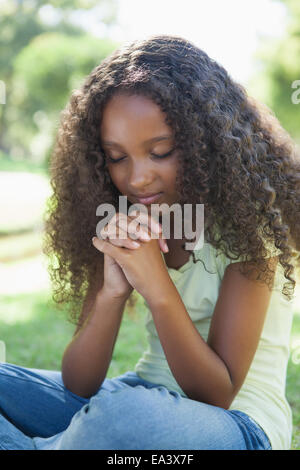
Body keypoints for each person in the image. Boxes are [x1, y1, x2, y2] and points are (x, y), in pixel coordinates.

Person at [0, 35, 299, 451]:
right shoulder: (128, 220)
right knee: (111, 408)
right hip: (137, 397)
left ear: (203, 144)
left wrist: (157, 286)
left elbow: (217, 394)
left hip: (238, 426)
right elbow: (80, 384)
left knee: (125, 415)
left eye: (160, 151)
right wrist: (111, 293)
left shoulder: (251, 232)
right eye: (117, 157)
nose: (137, 178)